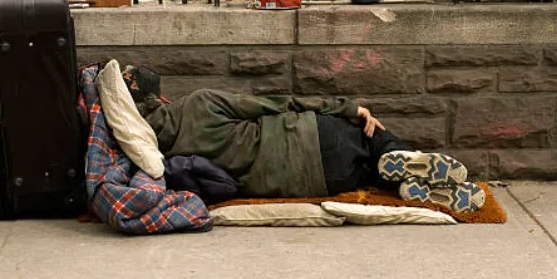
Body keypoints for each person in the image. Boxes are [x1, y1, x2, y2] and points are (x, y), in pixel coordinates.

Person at [121, 65, 485, 213]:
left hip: (308, 180)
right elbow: (278, 103)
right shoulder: (199, 102)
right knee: (372, 135)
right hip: (313, 136)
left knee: (364, 176)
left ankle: (397, 178)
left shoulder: (149, 153)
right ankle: (403, 158)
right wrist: (348, 108)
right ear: (160, 96)